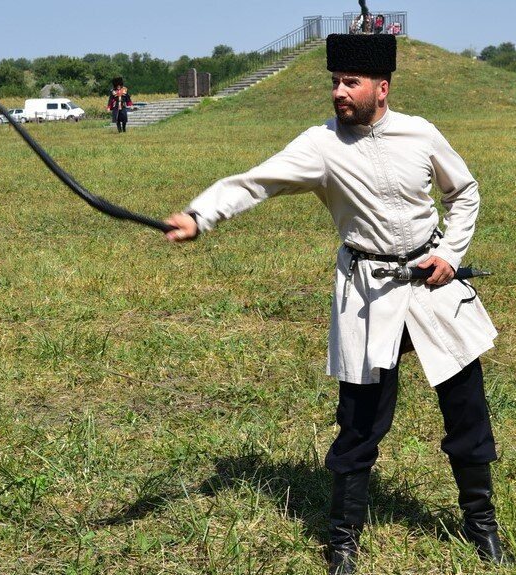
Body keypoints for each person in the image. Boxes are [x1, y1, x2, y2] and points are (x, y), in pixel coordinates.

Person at [165, 33, 511, 574]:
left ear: (382, 87)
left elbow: (463, 193)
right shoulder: (320, 145)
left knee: (467, 412)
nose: (339, 93)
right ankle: (344, 541)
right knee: (360, 422)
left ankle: (481, 526)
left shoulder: (420, 133)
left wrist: (448, 252)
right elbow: (256, 183)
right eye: (334, 83)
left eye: (351, 82)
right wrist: (200, 215)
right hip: (367, 295)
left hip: (432, 288)